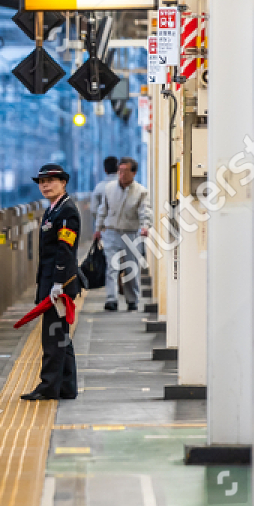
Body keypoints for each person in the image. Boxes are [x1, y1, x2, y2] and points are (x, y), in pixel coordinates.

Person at [22, 163, 82, 402]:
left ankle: (48, 387)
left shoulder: (66, 211)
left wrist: (57, 283)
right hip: (52, 282)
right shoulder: (54, 209)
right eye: (42, 182)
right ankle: (66, 386)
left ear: (63, 183)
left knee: (53, 337)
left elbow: (64, 250)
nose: (45, 185)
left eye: (51, 181)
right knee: (60, 336)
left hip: (59, 285)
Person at [93, 155, 151, 312]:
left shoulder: (141, 192)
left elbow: (145, 211)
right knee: (112, 267)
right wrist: (98, 229)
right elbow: (102, 210)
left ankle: (132, 299)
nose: (122, 174)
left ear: (134, 173)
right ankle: (111, 299)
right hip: (111, 232)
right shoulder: (109, 188)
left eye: (125, 171)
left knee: (131, 269)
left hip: (131, 234)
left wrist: (145, 226)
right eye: (120, 171)